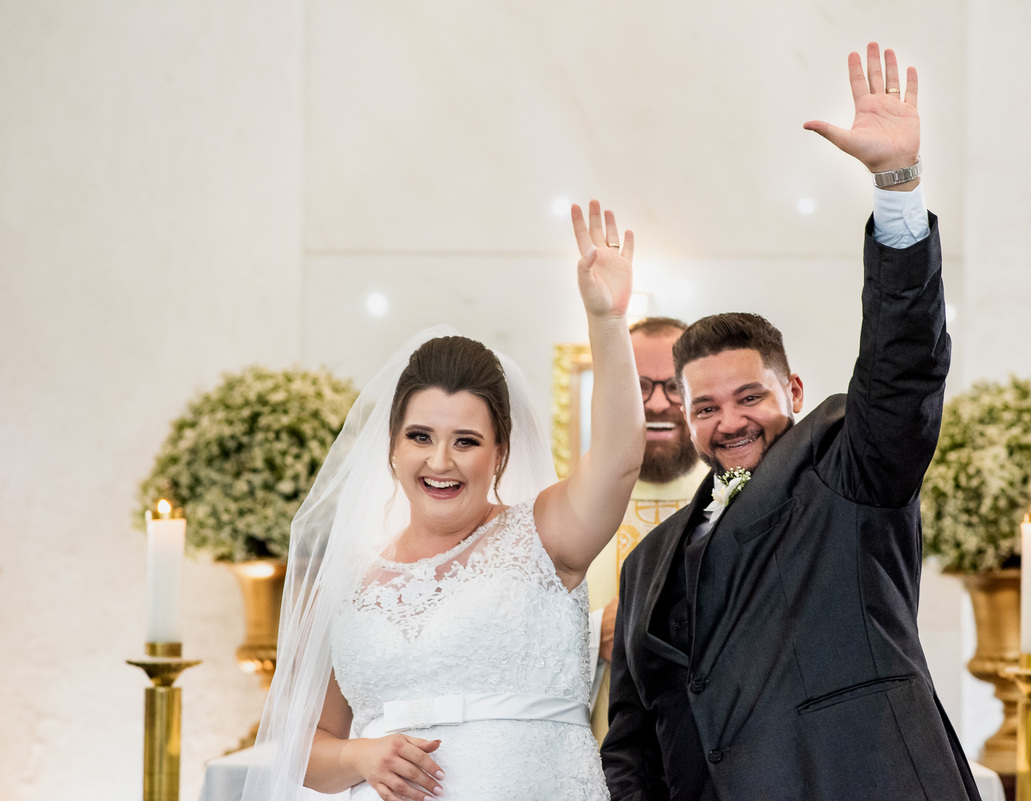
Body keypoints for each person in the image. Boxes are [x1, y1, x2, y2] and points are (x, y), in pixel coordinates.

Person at [602, 44, 982, 800]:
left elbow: (903, 371)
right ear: (681, 411)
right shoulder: (646, 564)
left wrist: (897, 187)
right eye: (706, 406)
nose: (730, 421)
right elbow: (632, 746)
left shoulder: (847, 470)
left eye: (751, 397)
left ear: (794, 390)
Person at [242, 200, 644, 801]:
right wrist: (360, 754)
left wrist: (607, 324)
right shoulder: (346, 580)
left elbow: (617, 460)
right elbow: (306, 747)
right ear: (392, 445)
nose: (440, 462)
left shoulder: (545, 537)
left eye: (466, 442)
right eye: (421, 437)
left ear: (500, 454)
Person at [585, 317, 709, 741]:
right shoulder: (570, 509)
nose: (658, 403)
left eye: (675, 384)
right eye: (639, 385)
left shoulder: (746, 502)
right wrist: (591, 634)